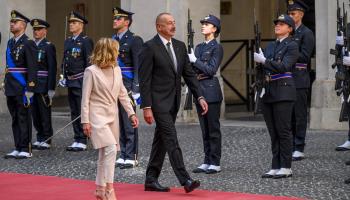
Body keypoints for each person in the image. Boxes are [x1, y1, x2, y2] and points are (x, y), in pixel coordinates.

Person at [139, 12, 208, 193]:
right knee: (171, 138)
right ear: (159, 27)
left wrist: (199, 96)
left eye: (174, 22)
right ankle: (185, 180)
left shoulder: (179, 46)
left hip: (174, 101)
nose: (173, 25)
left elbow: (189, 75)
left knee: (160, 141)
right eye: (169, 23)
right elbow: (144, 80)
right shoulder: (149, 47)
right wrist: (146, 107)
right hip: (158, 103)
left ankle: (150, 179)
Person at [81, 38, 139, 200]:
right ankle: (109, 189)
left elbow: (122, 94)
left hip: (112, 117)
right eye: (116, 50)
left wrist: (131, 113)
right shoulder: (90, 71)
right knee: (111, 149)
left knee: (103, 153)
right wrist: (85, 121)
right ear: (107, 52)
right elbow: (85, 99)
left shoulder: (117, 69)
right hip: (96, 117)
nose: (119, 53)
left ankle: (99, 190)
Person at [254, 14, 298, 179]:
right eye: (276, 24)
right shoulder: (271, 45)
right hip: (269, 90)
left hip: (284, 91)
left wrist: (264, 61)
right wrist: (260, 64)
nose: (277, 26)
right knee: (273, 131)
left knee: (283, 130)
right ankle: (275, 165)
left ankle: (286, 166)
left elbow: (284, 66)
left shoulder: (292, 45)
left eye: (282, 24)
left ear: (289, 28)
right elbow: (264, 68)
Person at [188, 14, 224, 174]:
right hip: (199, 89)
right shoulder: (199, 47)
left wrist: (195, 61)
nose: (203, 26)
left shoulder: (217, 47)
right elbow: (195, 69)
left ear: (214, 29)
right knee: (204, 129)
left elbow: (211, 70)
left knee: (213, 128)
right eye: (202, 23)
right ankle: (207, 160)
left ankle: (215, 162)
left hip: (211, 89)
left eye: (207, 24)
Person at [112, 7, 143, 169]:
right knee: (118, 122)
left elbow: (139, 66)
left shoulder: (134, 40)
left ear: (127, 22)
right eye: (115, 18)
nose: (115, 21)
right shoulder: (112, 40)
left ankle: (131, 155)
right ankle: (123, 153)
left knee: (129, 120)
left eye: (118, 19)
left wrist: (137, 88)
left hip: (129, 86)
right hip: (114, 86)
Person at [4, 10, 37, 159]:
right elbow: (9, 66)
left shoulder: (28, 43)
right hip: (11, 86)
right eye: (11, 22)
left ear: (23, 25)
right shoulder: (10, 42)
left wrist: (30, 88)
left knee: (24, 117)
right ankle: (18, 146)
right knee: (15, 118)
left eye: (15, 22)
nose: (11, 24)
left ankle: (26, 147)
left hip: (22, 87)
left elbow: (32, 67)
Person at [287, 0, 315, 161]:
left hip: (299, 78)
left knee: (299, 114)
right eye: (289, 13)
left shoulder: (306, 33)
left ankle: (299, 146)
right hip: (287, 78)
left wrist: (289, 51)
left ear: (301, 15)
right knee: (288, 114)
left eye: (293, 14)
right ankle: (290, 145)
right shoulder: (288, 33)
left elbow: (305, 56)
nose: (290, 16)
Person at [62, 11, 94, 152]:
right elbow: (65, 60)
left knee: (83, 110)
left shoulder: (86, 41)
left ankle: (83, 138)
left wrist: (89, 82)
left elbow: (89, 62)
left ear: (81, 25)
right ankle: (77, 137)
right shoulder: (68, 41)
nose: (71, 25)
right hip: (70, 81)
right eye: (70, 22)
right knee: (74, 110)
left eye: (74, 23)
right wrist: (62, 76)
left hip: (81, 80)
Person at [30, 19, 57, 150]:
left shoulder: (48, 46)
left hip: (43, 84)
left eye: (39, 29)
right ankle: (39, 136)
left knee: (44, 112)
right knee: (35, 113)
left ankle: (46, 138)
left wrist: (51, 88)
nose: (36, 32)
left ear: (45, 31)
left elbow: (52, 68)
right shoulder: (30, 45)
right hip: (32, 84)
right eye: (34, 29)